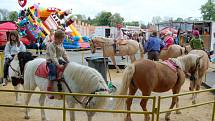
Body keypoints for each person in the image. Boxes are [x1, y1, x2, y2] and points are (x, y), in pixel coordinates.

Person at [46, 29, 70, 99]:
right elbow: (53, 57)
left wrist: (68, 62)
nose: (61, 41)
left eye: (62, 40)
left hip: (58, 59)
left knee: (66, 65)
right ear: (55, 38)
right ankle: (49, 90)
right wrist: (58, 65)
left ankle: (60, 80)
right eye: (60, 40)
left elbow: (64, 54)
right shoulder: (51, 45)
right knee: (52, 72)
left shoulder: (61, 45)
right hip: (50, 61)